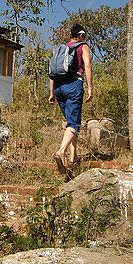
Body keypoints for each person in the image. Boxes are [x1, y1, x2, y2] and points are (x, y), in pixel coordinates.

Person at [49, 23, 93, 172]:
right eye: (84, 36)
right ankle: (61, 152)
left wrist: (51, 93)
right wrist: (90, 88)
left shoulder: (62, 49)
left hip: (58, 87)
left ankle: (73, 157)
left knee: (71, 123)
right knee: (73, 124)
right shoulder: (83, 46)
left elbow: (53, 72)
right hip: (74, 85)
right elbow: (87, 66)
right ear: (80, 35)